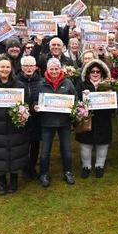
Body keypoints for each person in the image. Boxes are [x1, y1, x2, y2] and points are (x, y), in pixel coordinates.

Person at [0, 56, 30, 195]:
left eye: (8, 67)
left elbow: (27, 105)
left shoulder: (19, 85)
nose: (5, 69)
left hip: (15, 127)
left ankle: (14, 180)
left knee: (15, 153)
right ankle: (2, 182)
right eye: (2, 67)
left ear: (11, 69)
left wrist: (23, 113)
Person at [36, 58, 77, 187]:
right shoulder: (41, 83)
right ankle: (44, 173)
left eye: (56, 69)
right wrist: (36, 106)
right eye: (51, 69)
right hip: (47, 122)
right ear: (47, 70)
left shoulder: (68, 83)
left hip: (64, 122)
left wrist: (74, 107)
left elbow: (75, 98)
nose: (54, 71)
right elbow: (35, 100)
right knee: (45, 150)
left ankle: (68, 172)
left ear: (60, 69)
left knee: (66, 149)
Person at [75, 59, 114, 178]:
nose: (95, 73)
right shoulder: (81, 85)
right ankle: (86, 166)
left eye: (98, 71)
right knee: (85, 144)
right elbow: (76, 101)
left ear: (102, 73)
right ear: (88, 73)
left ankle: (99, 166)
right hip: (86, 120)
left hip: (103, 119)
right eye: (92, 71)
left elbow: (113, 105)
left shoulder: (108, 86)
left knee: (103, 143)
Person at [16, 55, 42, 182]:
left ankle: (32, 167)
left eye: (31, 65)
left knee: (35, 144)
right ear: (22, 67)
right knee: (23, 146)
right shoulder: (16, 81)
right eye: (26, 66)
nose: (29, 68)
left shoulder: (41, 81)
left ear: (35, 67)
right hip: (22, 119)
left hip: (37, 119)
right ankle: (25, 169)